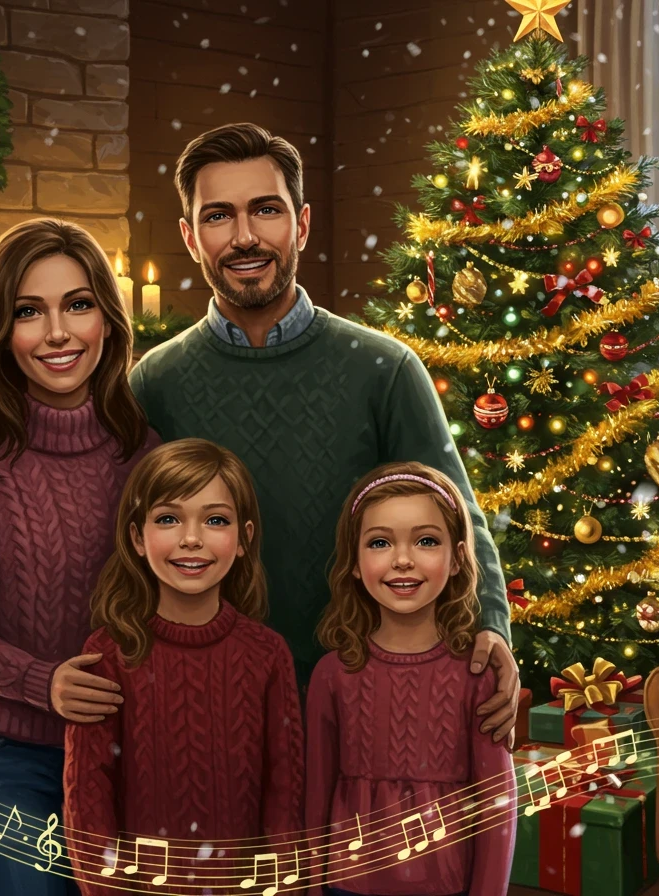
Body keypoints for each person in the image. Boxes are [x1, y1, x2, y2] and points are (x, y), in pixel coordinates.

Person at [129, 122, 520, 742]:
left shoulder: (382, 368)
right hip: (208, 705)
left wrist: (491, 622)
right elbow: (127, 544)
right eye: (218, 216)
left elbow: (456, 514)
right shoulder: (156, 381)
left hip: (362, 694)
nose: (245, 236)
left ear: (302, 224)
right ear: (190, 236)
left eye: (266, 210)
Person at [0, 218, 157, 896]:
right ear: (1, 329)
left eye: (78, 304)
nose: (57, 333)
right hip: (6, 758)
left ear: (106, 319)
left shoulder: (147, 454)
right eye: (28, 311)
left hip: (126, 753)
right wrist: (42, 683)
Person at [64, 438, 303, 895]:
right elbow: (89, 807)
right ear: (137, 538)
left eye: (215, 520)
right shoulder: (108, 655)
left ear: (243, 539)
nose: (191, 538)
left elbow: (283, 797)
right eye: (169, 519)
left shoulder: (267, 654)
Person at [305, 462, 516, 896]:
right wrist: (309, 886)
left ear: (457, 558)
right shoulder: (332, 674)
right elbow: (315, 793)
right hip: (346, 886)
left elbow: (498, 806)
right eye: (380, 542)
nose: (402, 560)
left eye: (426, 541)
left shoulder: (476, 675)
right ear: (355, 564)